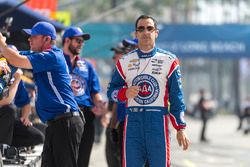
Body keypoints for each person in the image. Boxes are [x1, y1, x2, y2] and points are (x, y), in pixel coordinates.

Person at [107, 15, 190, 167]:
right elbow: (111, 91)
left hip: (157, 122)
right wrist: (124, 93)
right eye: (141, 29)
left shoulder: (169, 60)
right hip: (133, 122)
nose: (146, 32)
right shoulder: (124, 61)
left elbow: (176, 97)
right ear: (136, 33)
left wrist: (180, 127)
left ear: (156, 33)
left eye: (150, 28)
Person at [0, 21, 85, 167]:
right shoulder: (40, 55)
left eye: (33, 36)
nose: (29, 39)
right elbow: (12, 57)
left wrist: (2, 43)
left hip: (66, 122)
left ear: (46, 39)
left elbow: (16, 59)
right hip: (56, 123)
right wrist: (2, 56)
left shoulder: (52, 55)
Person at [62, 26, 106, 167]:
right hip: (64, 116)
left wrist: (99, 104)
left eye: (82, 41)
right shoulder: (57, 61)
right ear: (67, 40)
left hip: (86, 116)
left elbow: (94, 91)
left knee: (83, 161)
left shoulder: (87, 65)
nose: (81, 44)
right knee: (65, 160)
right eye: (78, 41)